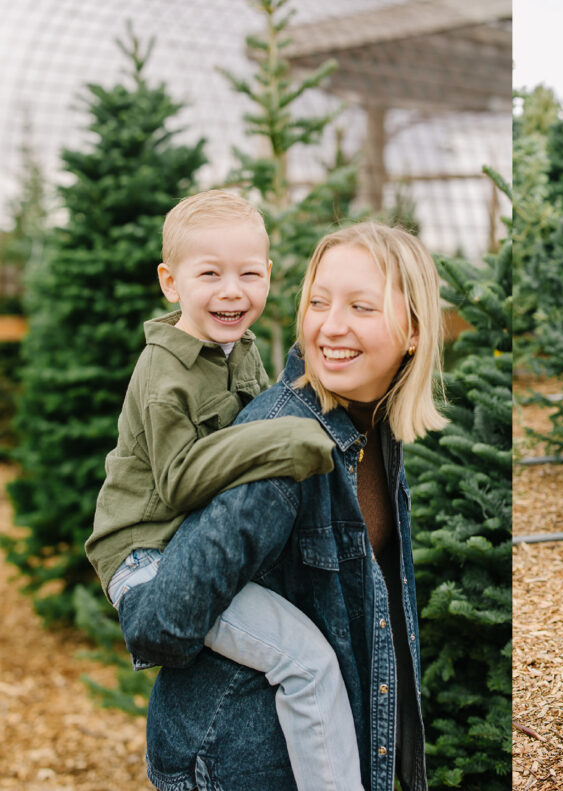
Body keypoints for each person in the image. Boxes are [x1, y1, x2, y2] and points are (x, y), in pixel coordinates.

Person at [115, 221, 448, 791]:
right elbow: (156, 624)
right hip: (238, 763)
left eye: (361, 307)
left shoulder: (374, 430)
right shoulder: (282, 445)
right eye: (319, 302)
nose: (330, 325)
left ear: (413, 331)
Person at [85, 190, 365, 791]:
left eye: (249, 273)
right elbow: (182, 480)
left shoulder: (241, 350)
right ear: (170, 282)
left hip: (187, 542)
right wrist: (286, 440)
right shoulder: (166, 374)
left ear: (270, 276)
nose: (232, 290)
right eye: (209, 273)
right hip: (149, 558)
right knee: (307, 662)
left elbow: (249, 429)